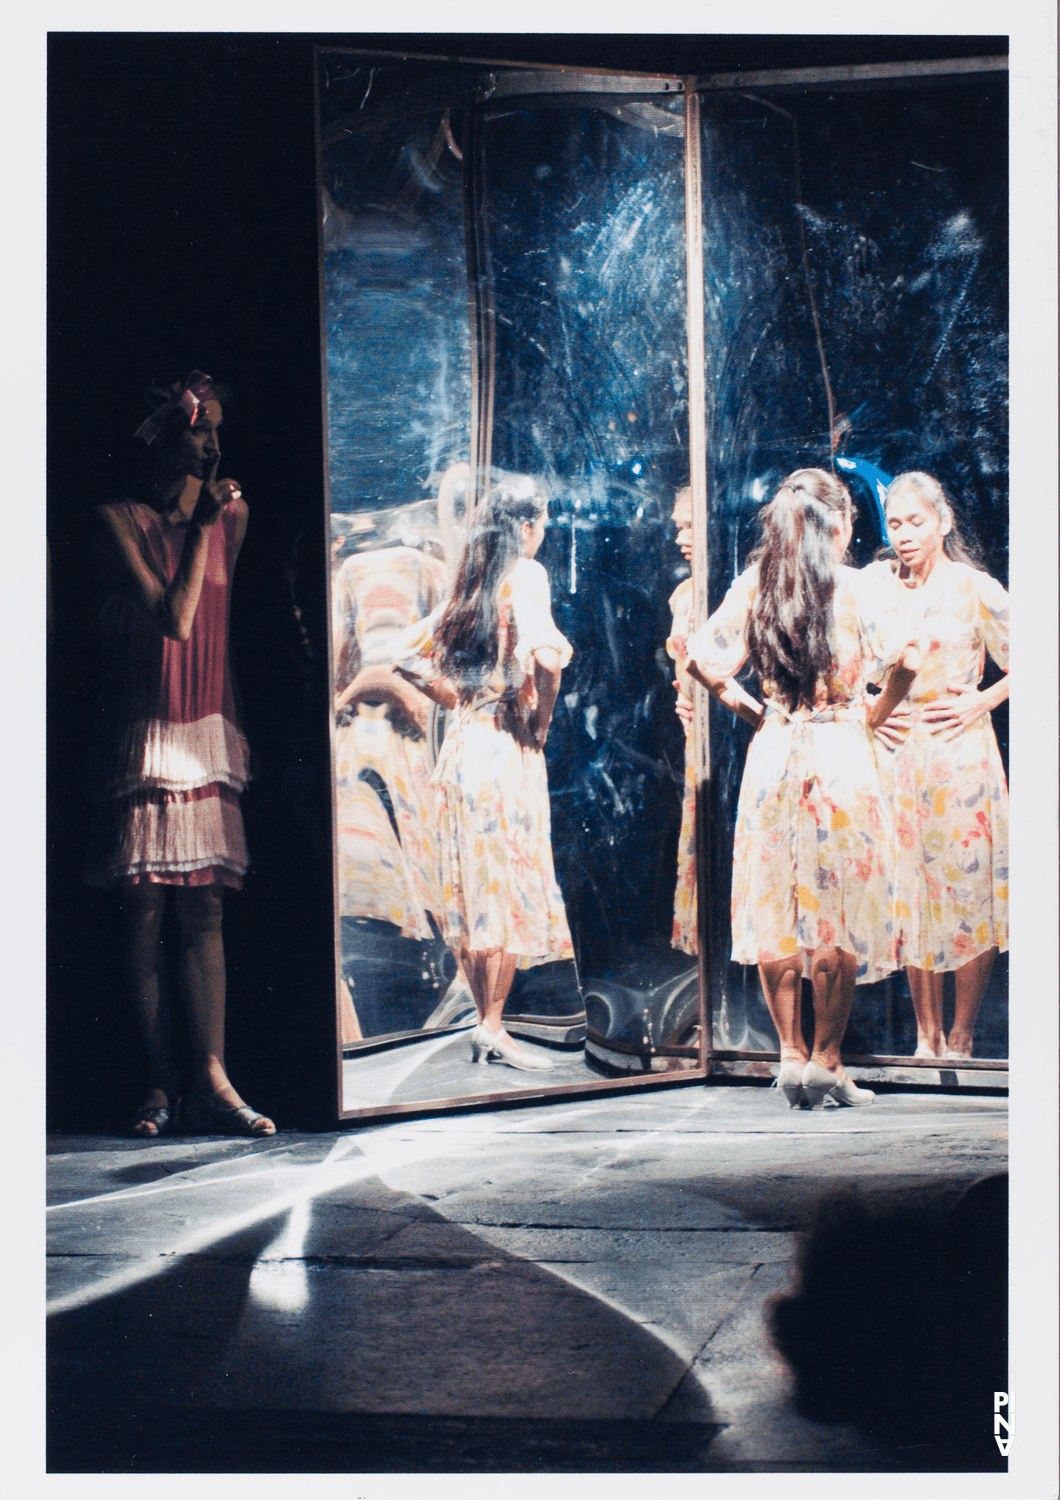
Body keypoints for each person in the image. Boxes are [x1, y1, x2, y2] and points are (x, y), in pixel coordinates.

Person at [685, 468, 919, 1108]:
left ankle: (788, 1056)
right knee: (835, 908)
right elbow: (910, 660)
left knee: (776, 904)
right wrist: (874, 710)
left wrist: (747, 710)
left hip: (776, 750)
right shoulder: (854, 587)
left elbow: (699, 658)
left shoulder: (759, 584)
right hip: (841, 749)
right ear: (840, 524)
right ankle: (827, 1060)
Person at [84, 372, 274, 1137]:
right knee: (143, 909)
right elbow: (174, 617)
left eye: (216, 430)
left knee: (204, 908)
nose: (213, 442)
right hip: (147, 725)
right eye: (200, 429)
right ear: (166, 435)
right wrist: (197, 529)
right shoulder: (118, 522)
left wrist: (211, 521)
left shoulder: (236, 517)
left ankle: (214, 1076)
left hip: (205, 725)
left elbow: (219, 633)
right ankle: (159, 1082)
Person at [395, 476, 573, 1072]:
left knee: (474, 887)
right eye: (543, 522)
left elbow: (406, 656)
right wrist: (541, 718)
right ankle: (493, 1026)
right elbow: (546, 656)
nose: (544, 533)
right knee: (503, 885)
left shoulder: (473, 581)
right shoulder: (525, 574)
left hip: (464, 745)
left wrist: (456, 700)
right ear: (527, 527)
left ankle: (484, 1022)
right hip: (504, 744)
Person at [863, 472, 1008, 1060]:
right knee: (910, 892)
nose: (903, 535)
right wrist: (868, 711)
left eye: (915, 522)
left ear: (943, 522)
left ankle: (963, 1033)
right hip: (898, 751)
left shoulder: (976, 589)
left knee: (968, 890)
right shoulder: (876, 587)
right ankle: (925, 1036)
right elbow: (851, 662)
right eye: (894, 524)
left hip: (961, 752)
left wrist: (986, 697)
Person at [665, 486, 699, 956]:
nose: (681, 537)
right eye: (678, 528)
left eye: (690, 525)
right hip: (695, 736)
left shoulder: (732, 588)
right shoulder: (683, 593)